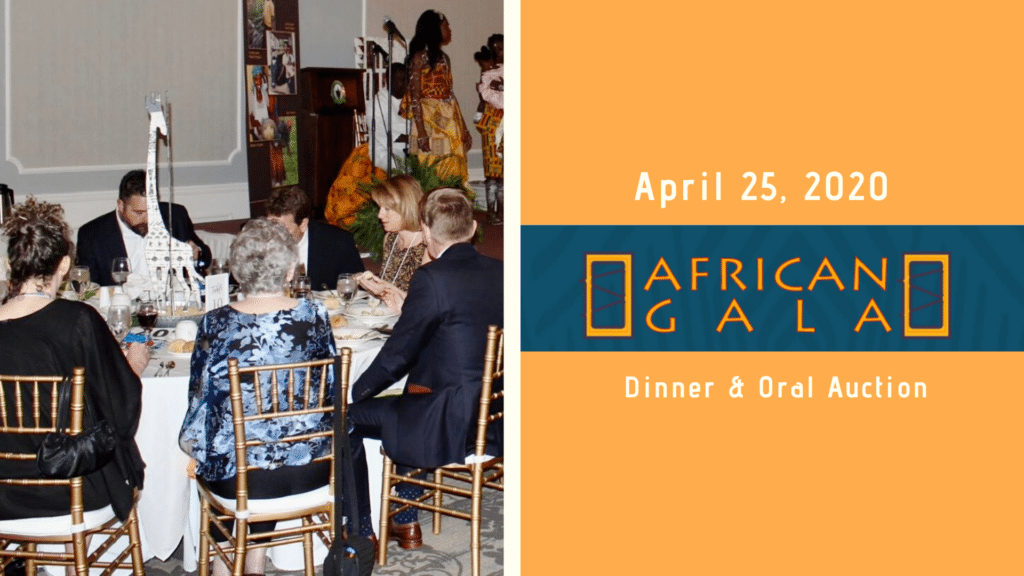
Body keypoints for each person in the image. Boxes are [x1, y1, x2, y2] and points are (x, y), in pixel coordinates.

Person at [178, 218, 336, 576]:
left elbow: (200, 399)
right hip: (310, 468)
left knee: (227, 447)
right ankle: (253, 563)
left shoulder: (215, 323)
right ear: (290, 269)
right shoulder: (316, 315)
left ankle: (225, 564)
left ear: (236, 271)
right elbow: (327, 390)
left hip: (240, 479)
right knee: (261, 441)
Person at [347, 189, 503, 547]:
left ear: (428, 232)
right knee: (410, 394)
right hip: (492, 413)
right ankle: (405, 522)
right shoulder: (502, 271)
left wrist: (355, 391)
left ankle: (361, 530)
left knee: (350, 417)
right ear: (474, 227)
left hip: (445, 420)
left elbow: (397, 354)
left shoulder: (432, 278)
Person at [0, 197, 148, 523]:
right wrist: (133, 367)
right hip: (71, 488)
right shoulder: (79, 320)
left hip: (4, 494)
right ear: (64, 266)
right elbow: (119, 410)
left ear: (11, 266)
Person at [76, 170, 212, 286]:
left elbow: (205, 258)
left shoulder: (175, 216)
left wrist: (195, 253)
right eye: (139, 213)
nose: (147, 219)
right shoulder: (91, 235)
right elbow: (87, 290)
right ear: (121, 205)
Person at [324, 62, 410, 229]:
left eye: (405, 80)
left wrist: (410, 138)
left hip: (408, 151)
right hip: (380, 150)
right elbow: (383, 136)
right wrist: (410, 138)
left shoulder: (411, 101)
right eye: (399, 80)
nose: (403, 84)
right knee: (359, 177)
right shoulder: (379, 102)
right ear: (388, 80)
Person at [404, 10, 472, 184]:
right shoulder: (419, 58)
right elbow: (414, 97)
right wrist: (421, 133)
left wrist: (464, 128)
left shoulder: (444, 58)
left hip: (449, 118)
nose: (450, 29)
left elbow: (451, 94)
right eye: (446, 25)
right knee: (432, 168)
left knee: (451, 167)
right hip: (428, 121)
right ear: (435, 29)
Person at [265, 186, 364, 290]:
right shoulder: (258, 244)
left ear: (303, 224)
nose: (274, 233)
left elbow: (356, 286)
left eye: (282, 228)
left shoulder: (338, 242)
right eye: (270, 224)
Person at [358, 175, 429, 309]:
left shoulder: (427, 246)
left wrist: (385, 290)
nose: (380, 215)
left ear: (406, 208)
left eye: (387, 209)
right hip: (384, 313)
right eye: (380, 208)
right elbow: (387, 282)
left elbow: (423, 303)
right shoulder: (390, 238)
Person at [476, 34, 504, 224]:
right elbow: (484, 97)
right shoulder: (486, 73)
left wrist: (502, 85)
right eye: (494, 49)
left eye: (501, 48)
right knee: (492, 171)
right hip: (492, 123)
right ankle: (492, 211)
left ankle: (503, 209)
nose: (498, 52)